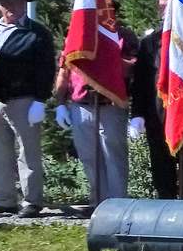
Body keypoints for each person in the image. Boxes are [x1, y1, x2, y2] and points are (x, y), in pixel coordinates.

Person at [52, 13, 137, 214]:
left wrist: (105, 55)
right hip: (81, 105)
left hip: (111, 105)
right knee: (89, 157)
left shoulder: (123, 35)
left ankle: (117, 205)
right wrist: (60, 103)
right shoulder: (76, 35)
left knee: (113, 157)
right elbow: (65, 70)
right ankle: (98, 203)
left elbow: (132, 69)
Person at [0, 0, 54, 218]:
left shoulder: (36, 32)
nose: (10, 8)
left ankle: (32, 200)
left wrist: (40, 99)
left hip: (24, 99)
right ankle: (4, 200)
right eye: (5, 4)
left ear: (24, 5)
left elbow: (46, 68)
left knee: (28, 151)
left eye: (14, 3)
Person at [132, 0, 183, 200]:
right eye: (161, 6)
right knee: (160, 163)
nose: (164, 10)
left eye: (168, 5)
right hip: (157, 113)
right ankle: (165, 203)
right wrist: (137, 114)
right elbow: (140, 82)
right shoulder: (149, 42)